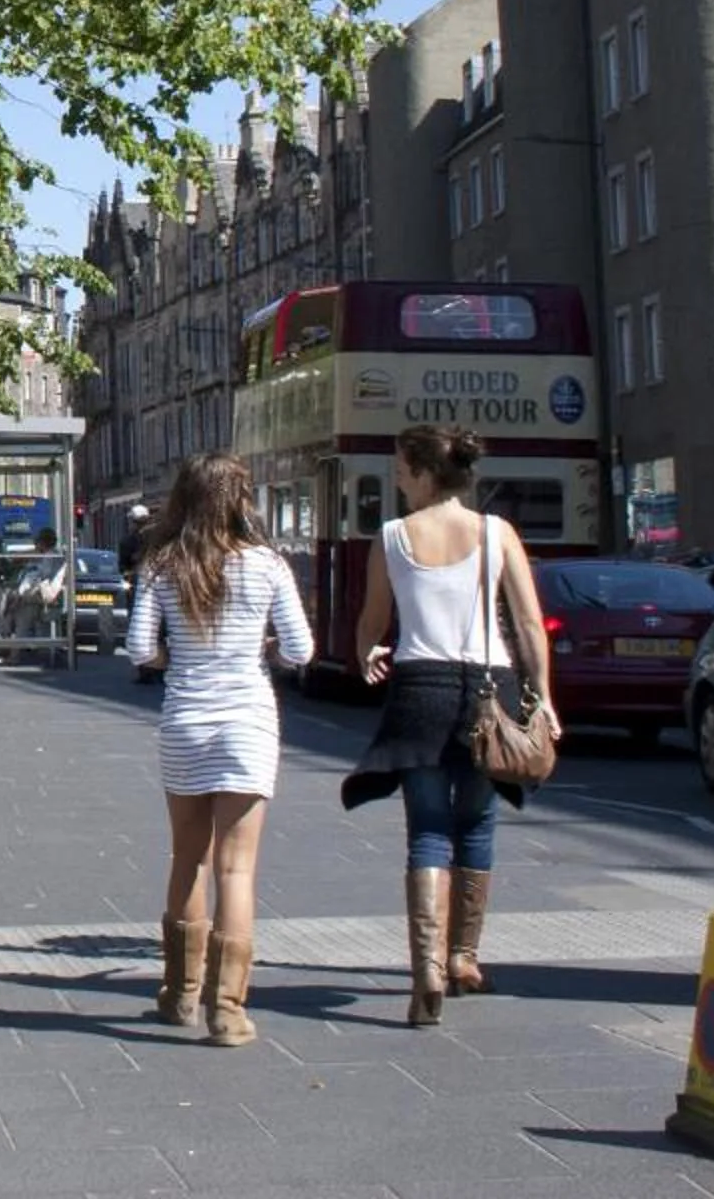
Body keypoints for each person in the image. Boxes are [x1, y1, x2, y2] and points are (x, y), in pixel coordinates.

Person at [344, 423, 560, 1026]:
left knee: (427, 832)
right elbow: (528, 624)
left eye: (400, 469)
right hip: (489, 690)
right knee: (478, 822)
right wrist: (542, 698)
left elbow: (373, 621)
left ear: (421, 472)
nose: (395, 478)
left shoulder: (391, 537)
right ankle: (464, 956)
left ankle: (426, 975)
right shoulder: (497, 534)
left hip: (419, 690)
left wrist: (366, 655)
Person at [125, 454, 313, 1046]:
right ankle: (228, 1010)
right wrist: (262, 643)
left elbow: (137, 649)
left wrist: (171, 656)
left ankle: (178, 993)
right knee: (238, 867)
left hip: (186, 721)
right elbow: (302, 651)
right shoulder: (267, 567)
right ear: (242, 501)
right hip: (248, 722)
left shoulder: (163, 566)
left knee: (189, 860)